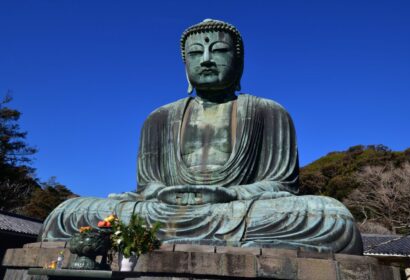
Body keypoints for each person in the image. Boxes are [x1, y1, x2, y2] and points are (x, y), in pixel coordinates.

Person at [40, 19, 363, 254]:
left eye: (219, 50)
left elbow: (283, 186)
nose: (206, 59)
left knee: (331, 217)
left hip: (239, 210)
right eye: (196, 53)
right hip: (164, 211)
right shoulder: (159, 118)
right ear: (185, 64)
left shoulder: (269, 111)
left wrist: (231, 195)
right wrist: (166, 195)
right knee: (69, 213)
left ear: (238, 61)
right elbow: (147, 187)